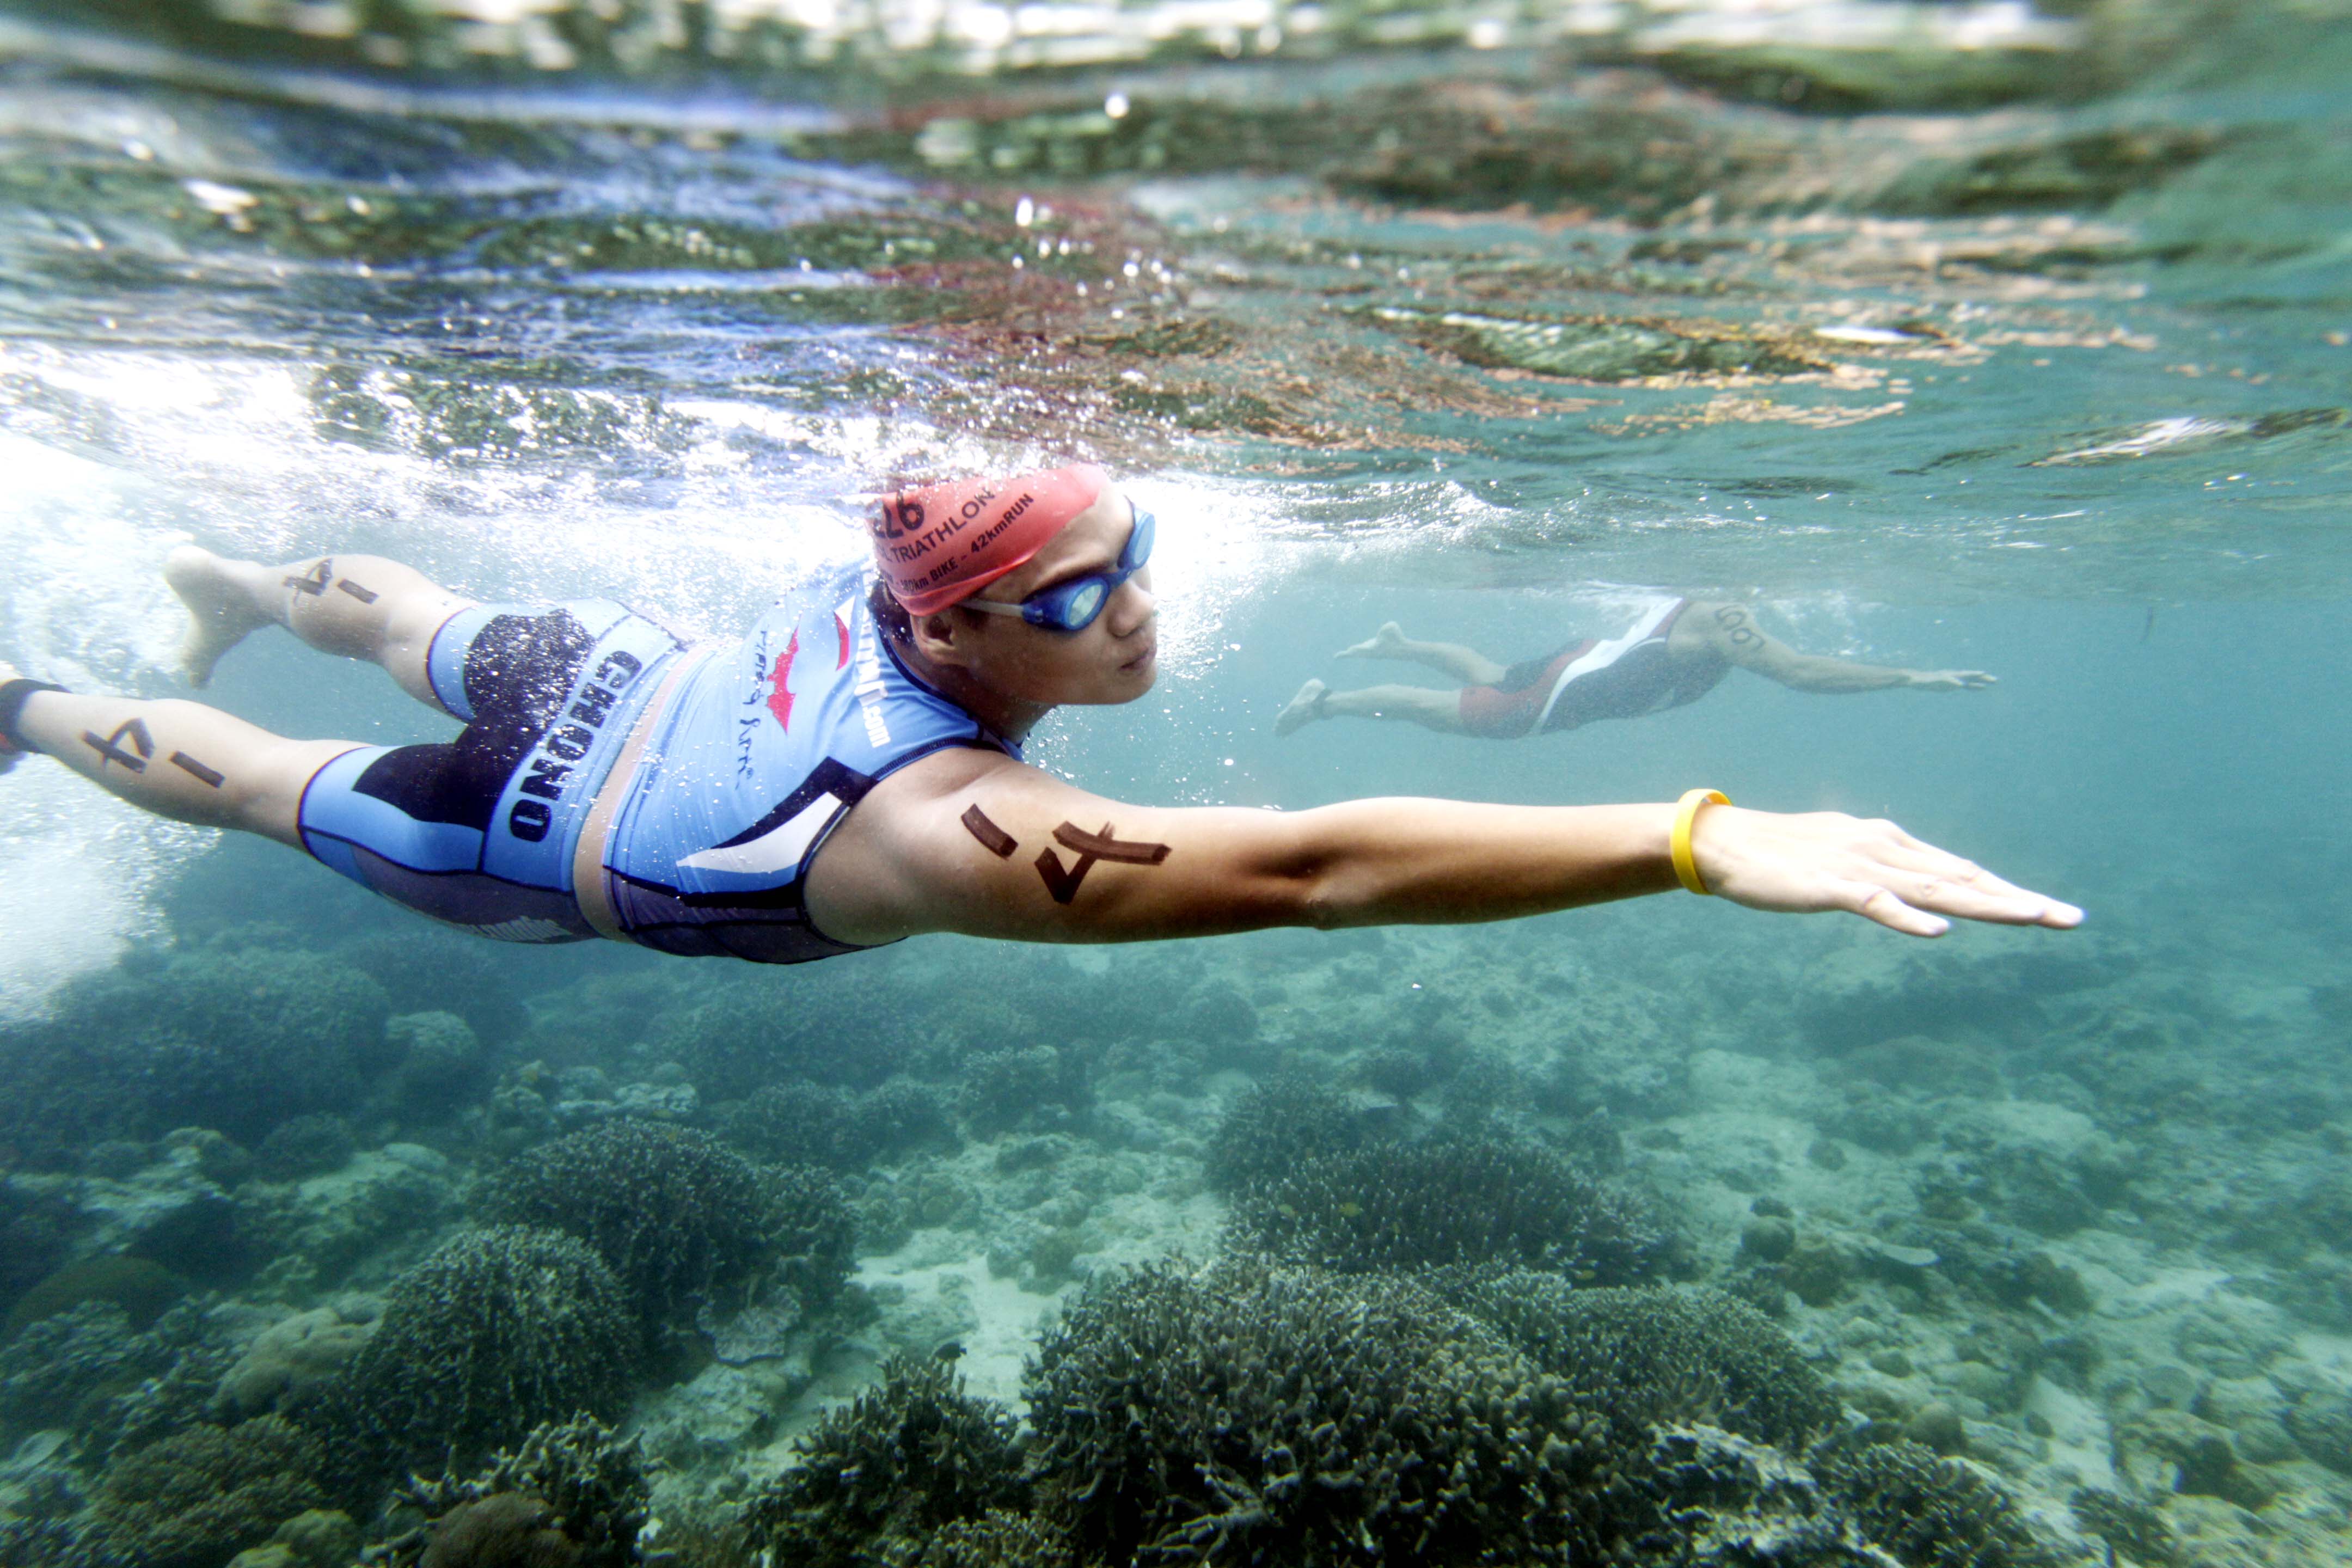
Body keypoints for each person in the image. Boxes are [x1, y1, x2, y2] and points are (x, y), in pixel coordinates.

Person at [0, 463, 2078, 961]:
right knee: (263, 780)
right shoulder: (938, 830)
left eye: (1138, 552)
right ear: (973, 624)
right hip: (525, 824)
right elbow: (1312, 868)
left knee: (420, 611)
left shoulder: (908, 561)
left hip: (615, 677)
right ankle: (28, 704)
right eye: (1084, 598)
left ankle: (237, 587)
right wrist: (1694, 835)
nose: (1140, 610)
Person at [1275, 601, 1994, 740]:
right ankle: (1325, 701)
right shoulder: (1723, 616)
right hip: (1566, 690)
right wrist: (1911, 678)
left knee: (1492, 671)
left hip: (1583, 662)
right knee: (1459, 713)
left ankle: (1400, 643)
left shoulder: (1708, 605)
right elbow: (1801, 673)